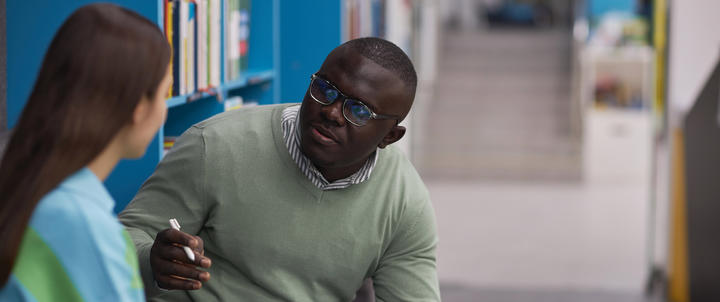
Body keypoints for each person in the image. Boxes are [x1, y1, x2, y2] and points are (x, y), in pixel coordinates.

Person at [120, 37, 440, 301]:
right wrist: (152, 261)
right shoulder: (215, 145)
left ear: (389, 136)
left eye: (358, 110)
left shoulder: (404, 201)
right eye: (326, 90)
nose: (331, 113)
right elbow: (120, 239)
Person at [0, 3, 172, 301]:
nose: (164, 110)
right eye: (165, 93)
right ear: (138, 106)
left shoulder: (21, 181)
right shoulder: (86, 230)